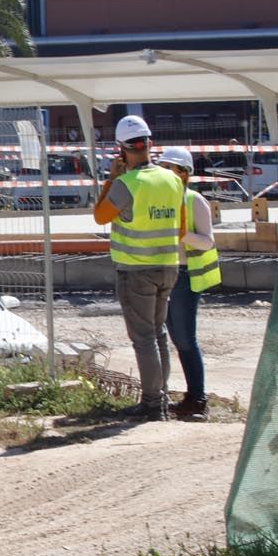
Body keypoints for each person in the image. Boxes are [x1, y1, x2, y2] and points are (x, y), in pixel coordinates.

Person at [92, 114, 186, 419]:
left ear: (122, 150)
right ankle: (160, 398)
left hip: (135, 271)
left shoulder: (125, 184)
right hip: (168, 267)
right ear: (150, 145)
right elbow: (181, 229)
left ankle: (151, 404)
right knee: (158, 335)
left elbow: (100, 217)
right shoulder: (172, 179)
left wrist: (111, 178)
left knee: (144, 338)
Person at [156, 147, 222, 420]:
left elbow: (207, 241)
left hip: (185, 275)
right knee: (174, 336)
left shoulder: (194, 201)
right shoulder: (159, 199)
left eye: (170, 168)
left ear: (184, 174)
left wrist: (183, 234)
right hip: (163, 271)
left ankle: (198, 399)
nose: (164, 174)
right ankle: (190, 397)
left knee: (185, 338)